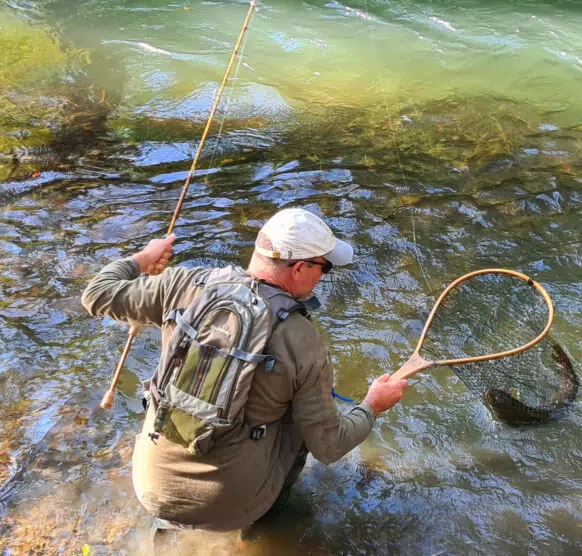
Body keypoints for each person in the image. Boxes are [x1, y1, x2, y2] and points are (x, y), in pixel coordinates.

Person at [82, 206, 408, 545]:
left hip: (149, 489)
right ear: (299, 268)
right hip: (230, 506)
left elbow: (95, 295)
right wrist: (372, 406)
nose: (323, 278)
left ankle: (165, 526)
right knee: (301, 423)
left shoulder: (181, 283)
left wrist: (142, 258)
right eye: (323, 268)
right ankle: (259, 529)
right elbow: (330, 446)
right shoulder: (303, 340)